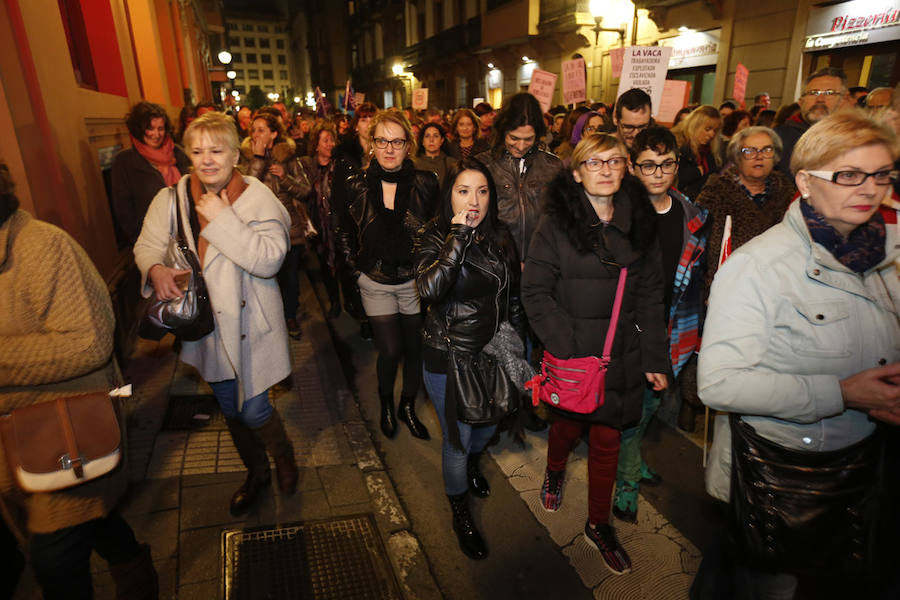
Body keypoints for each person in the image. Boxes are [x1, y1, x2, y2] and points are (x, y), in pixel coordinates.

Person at [697, 109, 900, 599]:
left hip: (870, 468)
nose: (869, 188)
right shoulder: (759, 266)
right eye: (848, 175)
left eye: (881, 174)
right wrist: (842, 393)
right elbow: (720, 383)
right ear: (806, 183)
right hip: (786, 475)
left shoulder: (890, 253)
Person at [0, 164, 158, 599]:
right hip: (16, 442)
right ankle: (135, 570)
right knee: (95, 519)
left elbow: (90, 341)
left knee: (55, 561)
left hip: (63, 431)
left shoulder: (44, 246)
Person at [134, 112, 299, 516]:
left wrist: (223, 219)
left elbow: (270, 260)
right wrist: (155, 270)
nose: (207, 160)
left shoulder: (258, 197)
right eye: (197, 152)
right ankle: (257, 472)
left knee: (254, 409)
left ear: (235, 154)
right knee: (230, 409)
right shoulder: (171, 199)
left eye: (216, 150)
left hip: (252, 324)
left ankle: (283, 454)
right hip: (206, 327)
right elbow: (146, 246)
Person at [522, 133, 668, 575]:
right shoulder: (556, 224)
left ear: (626, 168)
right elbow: (535, 291)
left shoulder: (640, 223)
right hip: (575, 356)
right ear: (577, 172)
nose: (605, 169)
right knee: (566, 427)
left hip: (621, 355)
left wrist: (654, 358)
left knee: (608, 440)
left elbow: (651, 296)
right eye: (594, 162)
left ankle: (598, 525)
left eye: (614, 161)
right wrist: (566, 346)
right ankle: (554, 470)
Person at [414, 158, 526, 560]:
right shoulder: (432, 236)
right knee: (458, 440)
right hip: (448, 354)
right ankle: (459, 509)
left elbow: (512, 298)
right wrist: (457, 236)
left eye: (482, 191)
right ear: (450, 196)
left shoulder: (501, 236)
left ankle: (474, 464)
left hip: (492, 350)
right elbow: (429, 289)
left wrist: (521, 351)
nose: (474, 201)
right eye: (464, 191)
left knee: (488, 425)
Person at [612, 126, 709, 522]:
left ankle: (631, 462)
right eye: (648, 165)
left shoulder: (691, 214)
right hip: (630, 326)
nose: (658, 173)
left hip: (675, 323)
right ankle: (626, 479)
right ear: (633, 167)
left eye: (666, 164)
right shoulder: (619, 212)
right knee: (633, 408)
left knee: (651, 403)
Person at [335, 110, 439, 441]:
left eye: (397, 141)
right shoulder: (356, 184)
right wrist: (356, 272)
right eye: (382, 141)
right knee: (390, 351)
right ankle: (386, 405)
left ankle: (407, 405)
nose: (389, 149)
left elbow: (437, 233)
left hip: (413, 281)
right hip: (375, 280)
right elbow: (343, 231)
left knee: (414, 350)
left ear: (409, 145)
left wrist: (427, 269)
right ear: (372, 144)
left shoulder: (426, 182)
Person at [240, 111, 313, 340]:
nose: (256, 134)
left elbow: (306, 190)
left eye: (261, 130)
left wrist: (284, 177)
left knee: (290, 278)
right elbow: (243, 191)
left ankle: (289, 316)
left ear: (273, 134)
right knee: (266, 280)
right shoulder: (247, 158)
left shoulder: (288, 157)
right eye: (253, 130)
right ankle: (271, 320)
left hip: (289, 229)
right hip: (259, 230)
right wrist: (258, 159)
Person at [110, 101, 191, 245]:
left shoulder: (178, 153)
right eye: (150, 128)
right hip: (152, 240)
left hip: (187, 232)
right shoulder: (124, 162)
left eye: (161, 128)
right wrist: (141, 240)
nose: (156, 134)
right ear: (139, 130)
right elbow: (124, 210)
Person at [300, 121, 343, 318]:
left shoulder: (340, 166)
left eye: (332, 140)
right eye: (325, 140)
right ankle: (334, 301)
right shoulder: (308, 168)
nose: (330, 144)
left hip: (338, 225)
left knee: (344, 266)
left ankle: (352, 304)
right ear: (316, 144)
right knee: (325, 265)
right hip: (318, 226)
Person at [774, 67, 847, 173]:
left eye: (829, 93)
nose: (820, 99)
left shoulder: (856, 139)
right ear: (801, 102)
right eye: (813, 93)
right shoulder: (778, 138)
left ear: (843, 101)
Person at [672, 105, 722, 200]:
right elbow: (671, 180)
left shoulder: (708, 152)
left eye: (715, 130)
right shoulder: (677, 147)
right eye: (707, 129)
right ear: (695, 126)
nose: (712, 134)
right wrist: (697, 172)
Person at [415, 122, 457, 186]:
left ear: (442, 140)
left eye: (435, 136)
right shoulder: (414, 164)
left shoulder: (452, 163)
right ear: (422, 141)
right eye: (427, 136)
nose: (431, 140)